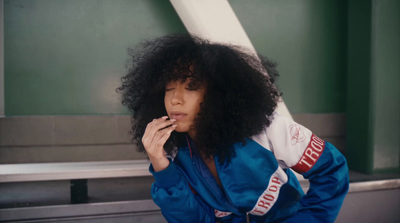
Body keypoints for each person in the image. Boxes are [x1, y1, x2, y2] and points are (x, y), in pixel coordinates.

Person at [118, 35, 349, 223]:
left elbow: (332, 171)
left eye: (191, 87)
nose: (175, 100)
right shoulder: (172, 151)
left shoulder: (267, 128)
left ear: (218, 93)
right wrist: (161, 167)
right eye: (169, 88)